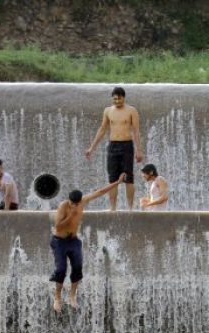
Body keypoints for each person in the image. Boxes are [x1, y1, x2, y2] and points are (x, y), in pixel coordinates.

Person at [50, 173, 126, 312]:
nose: (75, 205)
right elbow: (58, 226)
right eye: (72, 203)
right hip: (59, 241)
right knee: (61, 269)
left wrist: (118, 182)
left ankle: (73, 296)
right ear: (69, 201)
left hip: (73, 240)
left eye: (77, 203)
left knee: (77, 266)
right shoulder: (63, 207)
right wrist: (71, 215)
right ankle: (58, 297)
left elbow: (100, 191)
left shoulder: (83, 201)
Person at [84, 86, 144, 211]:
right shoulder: (107, 111)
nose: (117, 101)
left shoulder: (131, 110)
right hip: (113, 145)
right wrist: (91, 148)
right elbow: (102, 130)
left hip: (127, 145)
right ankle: (113, 207)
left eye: (119, 99)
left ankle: (130, 208)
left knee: (128, 178)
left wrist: (139, 150)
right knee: (112, 178)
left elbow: (136, 131)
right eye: (115, 99)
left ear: (124, 97)